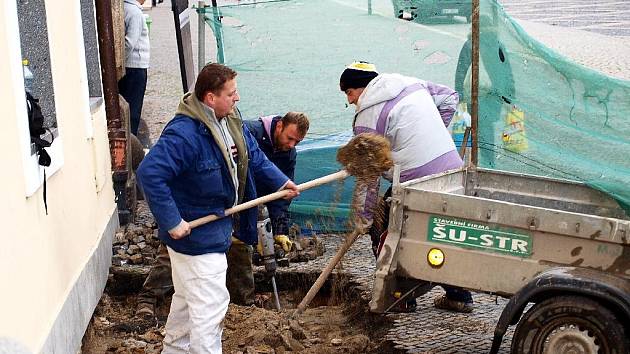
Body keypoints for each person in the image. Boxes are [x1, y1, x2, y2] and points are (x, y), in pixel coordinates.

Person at [137, 63, 299, 353]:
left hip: (216, 230)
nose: (237, 98)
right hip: (196, 239)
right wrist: (173, 221)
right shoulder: (186, 134)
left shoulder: (230, 121)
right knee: (209, 314)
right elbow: (150, 174)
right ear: (210, 97)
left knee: (187, 305)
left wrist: (281, 183)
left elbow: (256, 158)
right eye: (231, 93)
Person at [339, 61, 474, 313]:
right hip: (452, 171)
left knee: (387, 233)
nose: (350, 101)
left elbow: (369, 178)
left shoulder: (367, 116)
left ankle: (400, 297)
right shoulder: (411, 83)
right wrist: (426, 135)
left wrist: (364, 219)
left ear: (362, 88)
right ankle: (460, 296)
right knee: (441, 234)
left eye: (349, 93)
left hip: (416, 181)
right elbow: (449, 98)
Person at [227, 112, 310, 305]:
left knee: (242, 247)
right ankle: (240, 302)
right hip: (235, 200)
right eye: (290, 138)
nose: (291, 145)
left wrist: (280, 231)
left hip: (254, 204)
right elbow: (245, 174)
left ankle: (242, 303)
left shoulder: (289, 153)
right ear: (279, 125)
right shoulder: (249, 132)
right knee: (238, 246)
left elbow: (281, 195)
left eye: (297, 142)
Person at [119, 0, 150, 136]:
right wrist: (120, 62)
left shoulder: (125, 8)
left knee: (128, 108)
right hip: (135, 66)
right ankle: (131, 142)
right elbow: (130, 42)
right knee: (133, 111)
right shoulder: (134, 12)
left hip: (129, 66)